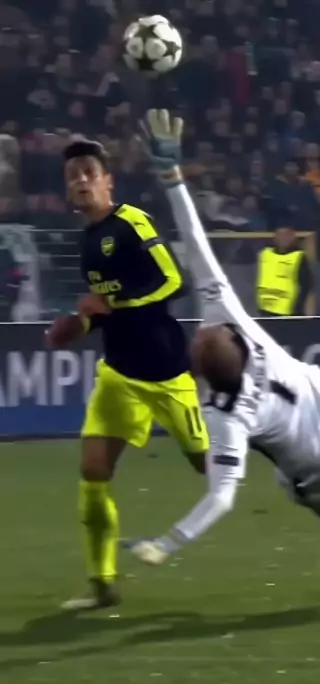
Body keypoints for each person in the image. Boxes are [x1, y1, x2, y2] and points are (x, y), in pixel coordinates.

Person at [127, 110, 320, 600]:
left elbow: (222, 497)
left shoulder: (225, 414)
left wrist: (168, 543)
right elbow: (196, 241)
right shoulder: (230, 317)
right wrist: (172, 176)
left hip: (310, 456)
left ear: (204, 374)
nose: (198, 335)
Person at [45, 138, 209, 611]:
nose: (81, 180)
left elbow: (173, 280)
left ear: (107, 182)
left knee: (211, 465)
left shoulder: (132, 221)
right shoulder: (86, 242)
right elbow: (105, 310)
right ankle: (102, 583)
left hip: (165, 370)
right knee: (93, 470)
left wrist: (111, 304)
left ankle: (288, 451)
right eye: (73, 175)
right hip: (118, 374)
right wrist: (79, 325)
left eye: (89, 172)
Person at [255, 224, 315, 317]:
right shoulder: (264, 254)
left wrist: (299, 308)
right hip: (265, 308)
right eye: (280, 235)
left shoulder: (298, 257)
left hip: (289, 311)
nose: (283, 239)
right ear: (275, 237)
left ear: (293, 237)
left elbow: (306, 285)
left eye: (286, 236)